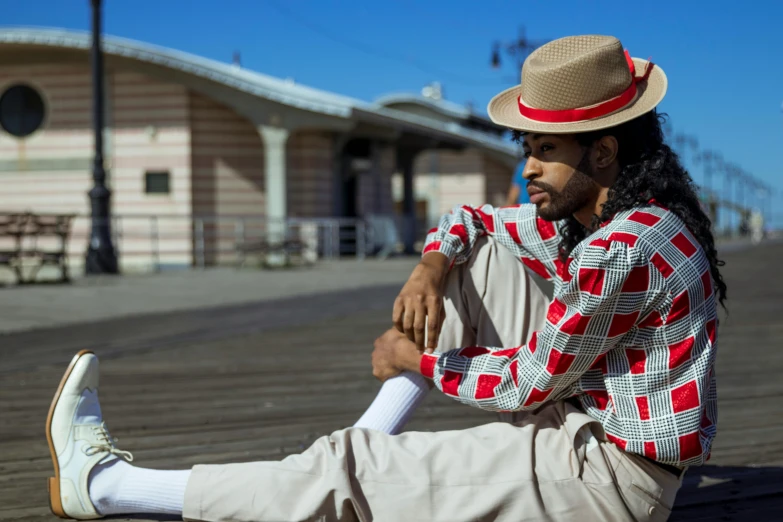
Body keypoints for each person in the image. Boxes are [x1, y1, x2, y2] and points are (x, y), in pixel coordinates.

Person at [45, 35, 726, 522]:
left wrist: (418, 358)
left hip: (605, 484)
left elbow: (527, 380)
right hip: (587, 431)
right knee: (478, 252)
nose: (528, 169)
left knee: (346, 471)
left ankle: (106, 487)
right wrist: (429, 268)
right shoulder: (637, 216)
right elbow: (473, 220)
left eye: (545, 152)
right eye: (527, 150)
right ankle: (379, 431)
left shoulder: (621, 250)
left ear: (602, 152)